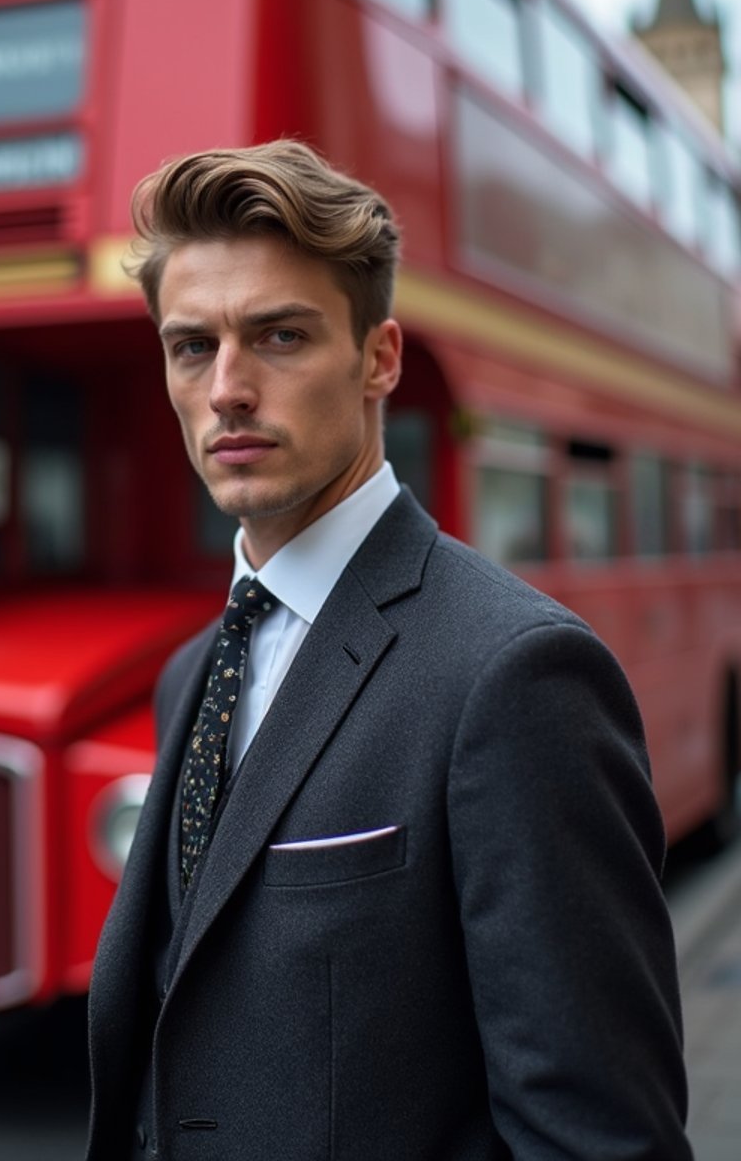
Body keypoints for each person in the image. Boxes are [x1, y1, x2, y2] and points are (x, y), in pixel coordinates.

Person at [86, 139, 691, 1161]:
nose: (227, 387)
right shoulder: (194, 671)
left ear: (380, 358)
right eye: (191, 346)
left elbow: (598, 1135)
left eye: (278, 336)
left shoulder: (515, 674)